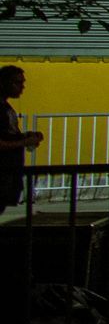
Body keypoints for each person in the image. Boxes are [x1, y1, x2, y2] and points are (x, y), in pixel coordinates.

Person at [1, 65, 46, 216]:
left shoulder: (6, 107)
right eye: (17, 83)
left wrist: (24, 136)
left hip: (9, 173)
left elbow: (7, 135)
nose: (22, 87)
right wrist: (24, 142)